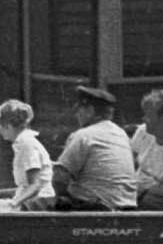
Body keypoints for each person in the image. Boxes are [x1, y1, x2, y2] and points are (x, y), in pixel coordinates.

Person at [48, 82, 138, 210]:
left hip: (93, 208)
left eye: (79, 110)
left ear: (90, 111)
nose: (76, 115)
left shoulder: (83, 135)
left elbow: (59, 178)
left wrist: (62, 198)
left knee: (32, 204)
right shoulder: (121, 134)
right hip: (127, 207)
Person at [0, 99, 53, 209]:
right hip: (34, 202)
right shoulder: (24, 142)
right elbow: (26, 186)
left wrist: (14, 203)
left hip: (39, 204)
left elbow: (35, 186)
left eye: (0, 124)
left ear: (8, 125)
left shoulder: (26, 144)